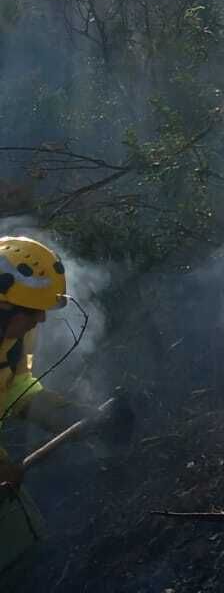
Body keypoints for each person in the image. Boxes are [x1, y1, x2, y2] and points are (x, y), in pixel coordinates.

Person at [0, 236, 125, 575]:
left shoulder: (15, 332)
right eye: (32, 310)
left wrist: (64, 413)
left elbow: (15, 386)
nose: (40, 320)